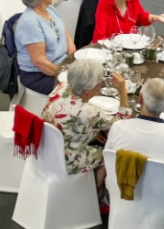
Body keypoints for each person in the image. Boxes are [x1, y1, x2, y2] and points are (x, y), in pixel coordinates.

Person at [40, 58, 129, 205]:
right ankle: (93, 200)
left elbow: (73, 119)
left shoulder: (62, 87)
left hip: (45, 146)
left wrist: (93, 132)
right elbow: (122, 124)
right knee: (107, 156)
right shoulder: (87, 112)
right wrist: (123, 92)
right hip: (65, 158)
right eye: (99, 84)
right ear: (86, 90)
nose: (101, 85)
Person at [104, 78, 164, 182]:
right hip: (161, 197)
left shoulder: (117, 127)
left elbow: (107, 165)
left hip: (120, 194)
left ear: (141, 99)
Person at [14, 0, 76, 94]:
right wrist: (67, 75)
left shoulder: (50, 9)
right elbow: (40, 63)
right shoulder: (30, 23)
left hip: (62, 65)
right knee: (80, 88)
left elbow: (67, 37)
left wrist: (73, 62)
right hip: (39, 75)